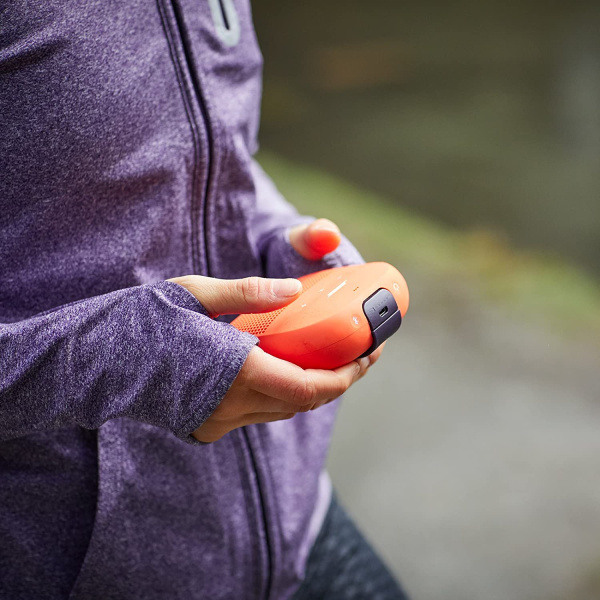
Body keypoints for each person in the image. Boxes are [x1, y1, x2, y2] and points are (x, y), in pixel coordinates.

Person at [0, 1, 408, 598]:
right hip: (97, 573)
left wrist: (276, 235)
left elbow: (215, 154)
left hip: (295, 522)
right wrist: (135, 358)